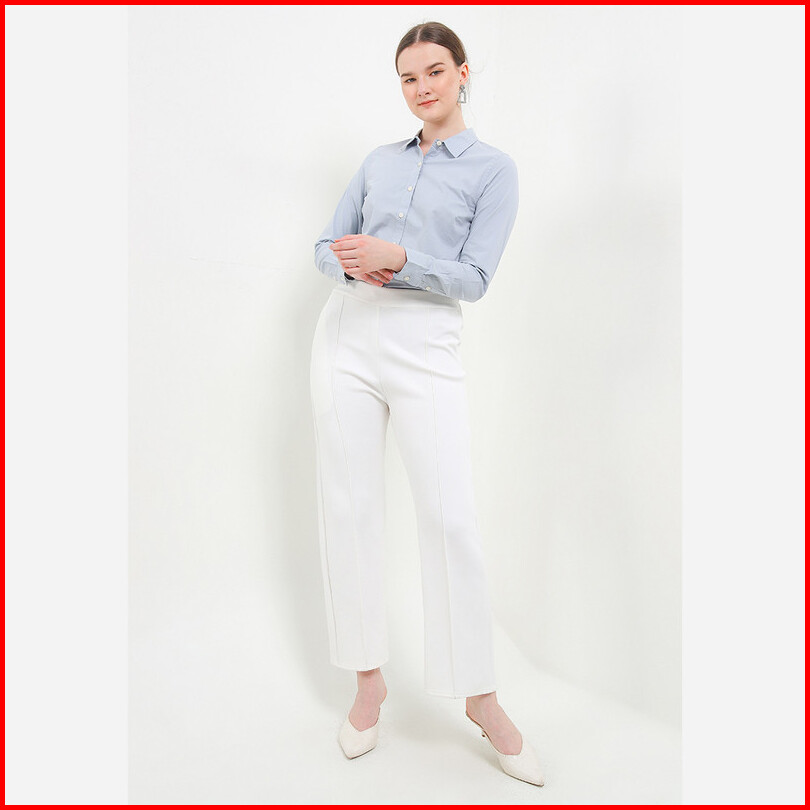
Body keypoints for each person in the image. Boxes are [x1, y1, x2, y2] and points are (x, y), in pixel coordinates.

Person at [309, 21, 544, 787]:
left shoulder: (494, 171)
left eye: (435, 71)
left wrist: (401, 259)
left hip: (425, 343)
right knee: (349, 506)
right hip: (347, 336)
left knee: (449, 516)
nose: (422, 88)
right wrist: (350, 263)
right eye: (409, 77)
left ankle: (481, 696)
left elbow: (475, 278)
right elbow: (325, 245)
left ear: (464, 73)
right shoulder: (378, 162)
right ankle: (367, 683)